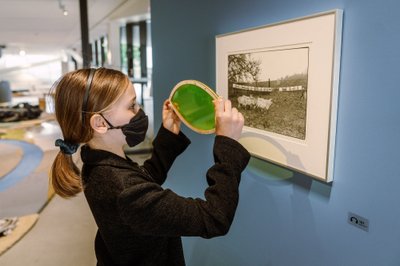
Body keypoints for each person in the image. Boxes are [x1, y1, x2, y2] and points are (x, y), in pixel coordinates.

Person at [50, 67, 250, 266]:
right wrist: (227, 145)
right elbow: (214, 218)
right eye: (132, 106)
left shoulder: (97, 163)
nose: (140, 112)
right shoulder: (123, 189)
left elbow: (142, 180)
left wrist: (168, 136)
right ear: (100, 123)